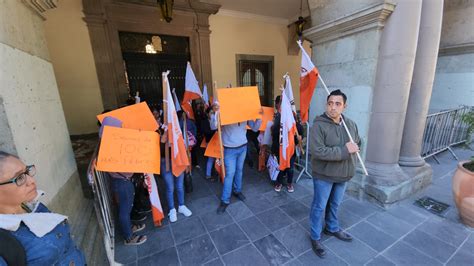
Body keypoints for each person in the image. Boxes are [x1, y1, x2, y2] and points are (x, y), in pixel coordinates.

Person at [0, 151, 86, 265]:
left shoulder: (30, 205)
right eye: (19, 178)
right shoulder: (5, 238)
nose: (32, 181)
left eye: (27, 172)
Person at [309, 89, 361, 258]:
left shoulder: (350, 124)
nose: (333, 107)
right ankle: (315, 237)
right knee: (319, 206)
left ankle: (331, 227)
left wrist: (356, 147)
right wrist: (346, 150)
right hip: (324, 175)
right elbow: (319, 151)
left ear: (344, 106)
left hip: (343, 174)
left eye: (337, 104)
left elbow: (358, 142)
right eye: (330, 103)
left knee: (335, 204)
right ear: (326, 104)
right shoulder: (318, 125)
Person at [99, 116, 147, 245]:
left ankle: (129, 227)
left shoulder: (108, 145)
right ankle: (129, 237)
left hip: (121, 181)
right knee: (125, 210)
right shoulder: (110, 148)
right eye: (118, 128)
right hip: (122, 182)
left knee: (126, 208)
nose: (121, 130)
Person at [215, 104, 262, 214]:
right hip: (229, 149)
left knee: (239, 171)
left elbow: (255, 128)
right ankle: (225, 200)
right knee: (230, 174)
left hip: (242, 147)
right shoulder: (225, 112)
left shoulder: (245, 113)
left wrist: (259, 116)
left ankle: (237, 191)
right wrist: (216, 112)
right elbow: (214, 125)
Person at [158, 111, 193, 223]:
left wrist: (186, 163)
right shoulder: (158, 129)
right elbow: (159, 145)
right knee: (170, 187)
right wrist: (165, 133)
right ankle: (172, 209)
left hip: (178, 160)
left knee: (179, 185)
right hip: (165, 162)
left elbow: (183, 147)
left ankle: (181, 206)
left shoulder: (177, 129)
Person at [271, 95, 303, 193]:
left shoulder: (296, 125)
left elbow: (300, 137)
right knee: (281, 167)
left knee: (290, 168)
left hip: (291, 150)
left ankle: (289, 183)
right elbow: (274, 134)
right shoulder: (278, 122)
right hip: (280, 148)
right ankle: (279, 182)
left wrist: (299, 139)